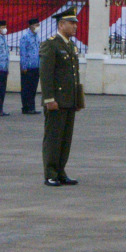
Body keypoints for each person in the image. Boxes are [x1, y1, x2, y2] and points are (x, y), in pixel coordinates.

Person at [39, 13, 82, 186]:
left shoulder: (70, 45)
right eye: (71, 23)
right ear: (61, 24)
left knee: (65, 138)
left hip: (69, 100)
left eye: (75, 24)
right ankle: (50, 173)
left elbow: (74, 75)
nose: (75, 26)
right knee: (53, 138)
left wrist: (78, 99)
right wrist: (49, 99)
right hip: (56, 100)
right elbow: (46, 74)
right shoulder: (51, 44)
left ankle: (60, 170)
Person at [16, 18, 41, 114]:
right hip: (28, 66)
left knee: (33, 88)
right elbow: (23, 53)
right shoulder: (25, 37)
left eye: (38, 25)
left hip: (36, 66)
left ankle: (32, 107)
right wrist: (24, 66)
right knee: (27, 88)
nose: (37, 27)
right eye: (36, 25)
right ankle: (26, 107)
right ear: (30, 26)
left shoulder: (36, 37)